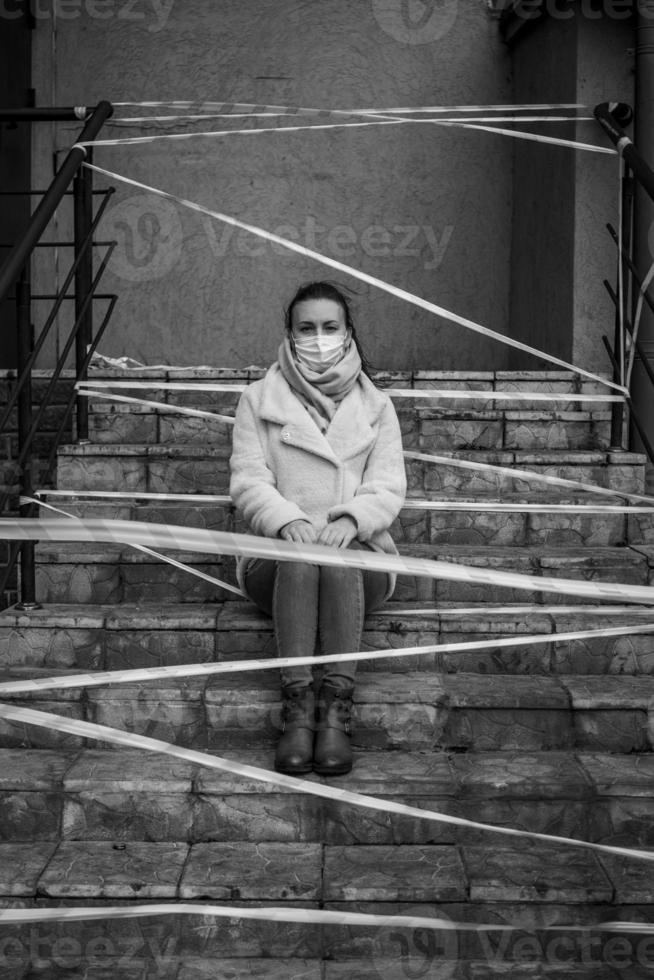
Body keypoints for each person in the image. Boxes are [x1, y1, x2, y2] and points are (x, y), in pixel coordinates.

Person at [229, 281, 407, 776]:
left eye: (330, 327)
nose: (319, 337)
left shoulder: (377, 407)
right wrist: (287, 522)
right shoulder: (257, 400)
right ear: (290, 333)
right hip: (278, 564)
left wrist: (351, 520)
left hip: (360, 561)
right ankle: (299, 710)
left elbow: (389, 486)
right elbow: (248, 480)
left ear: (348, 332)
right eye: (307, 328)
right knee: (306, 560)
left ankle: (334, 711)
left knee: (337, 559)